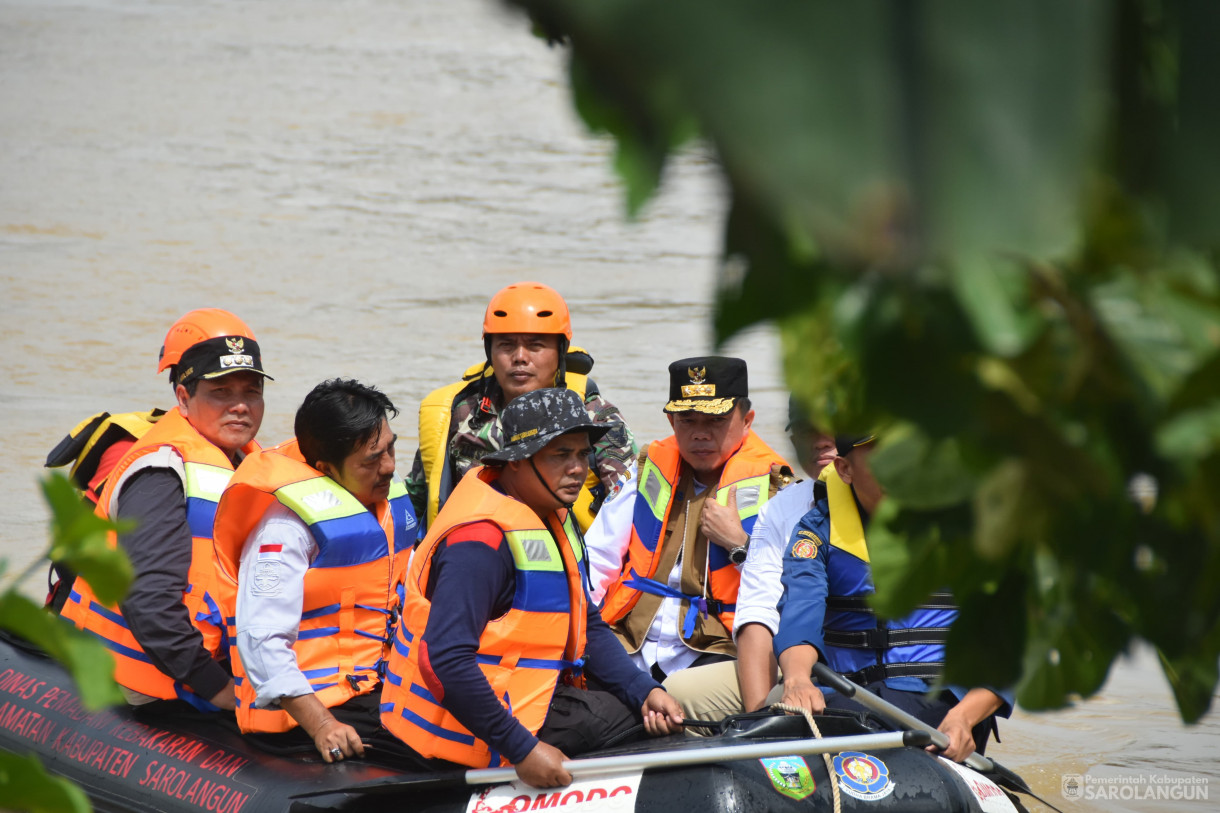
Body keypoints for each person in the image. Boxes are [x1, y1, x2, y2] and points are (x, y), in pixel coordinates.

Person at [381, 388, 684, 788]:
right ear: (517, 462)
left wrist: (642, 688)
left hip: (519, 704)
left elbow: (587, 624)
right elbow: (446, 660)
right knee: (628, 724)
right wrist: (522, 750)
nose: (577, 468)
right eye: (560, 455)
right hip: (465, 732)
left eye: (581, 454)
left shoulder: (545, 513)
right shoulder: (480, 542)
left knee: (639, 707)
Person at [62, 308, 271, 713]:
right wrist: (218, 689)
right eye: (221, 392)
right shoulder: (161, 471)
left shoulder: (247, 460)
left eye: (252, 392)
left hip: (203, 659)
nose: (241, 406)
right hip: (143, 680)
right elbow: (148, 598)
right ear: (183, 398)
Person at [211, 379, 417, 763]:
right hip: (306, 714)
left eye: (391, 448)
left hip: (375, 690)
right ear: (326, 468)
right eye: (372, 459)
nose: (389, 466)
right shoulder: (284, 532)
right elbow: (259, 640)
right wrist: (322, 725)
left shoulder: (386, 505)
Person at [772, 435, 1012, 761]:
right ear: (844, 468)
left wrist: (963, 718)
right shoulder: (815, 533)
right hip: (845, 697)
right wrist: (798, 679)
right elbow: (800, 612)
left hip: (939, 707)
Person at [587, 356, 793, 695]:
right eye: (687, 420)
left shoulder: (778, 489)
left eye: (716, 420)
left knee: (678, 696)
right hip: (630, 638)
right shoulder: (644, 471)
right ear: (671, 420)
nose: (700, 434)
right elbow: (598, 558)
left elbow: (794, 589)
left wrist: (740, 544)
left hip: (714, 648)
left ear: (747, 420)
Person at [406, 281, 635, 533]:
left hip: (564, 556)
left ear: (561, 352)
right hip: (475, 550)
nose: (520, 357)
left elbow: (629, 506)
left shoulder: (594, 417)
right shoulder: (458, 413)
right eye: (506, 345)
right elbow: (415, 503)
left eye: (535, 345)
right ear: (489, 351)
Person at [662, 396, 837, 720]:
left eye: (835, 428)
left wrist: (738, 545)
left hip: (861, 663)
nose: (821, 441)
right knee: (675, 694)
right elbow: (760, 607)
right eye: (806, 430)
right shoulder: (783, 507)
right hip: (798, 659)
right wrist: (758, 720)